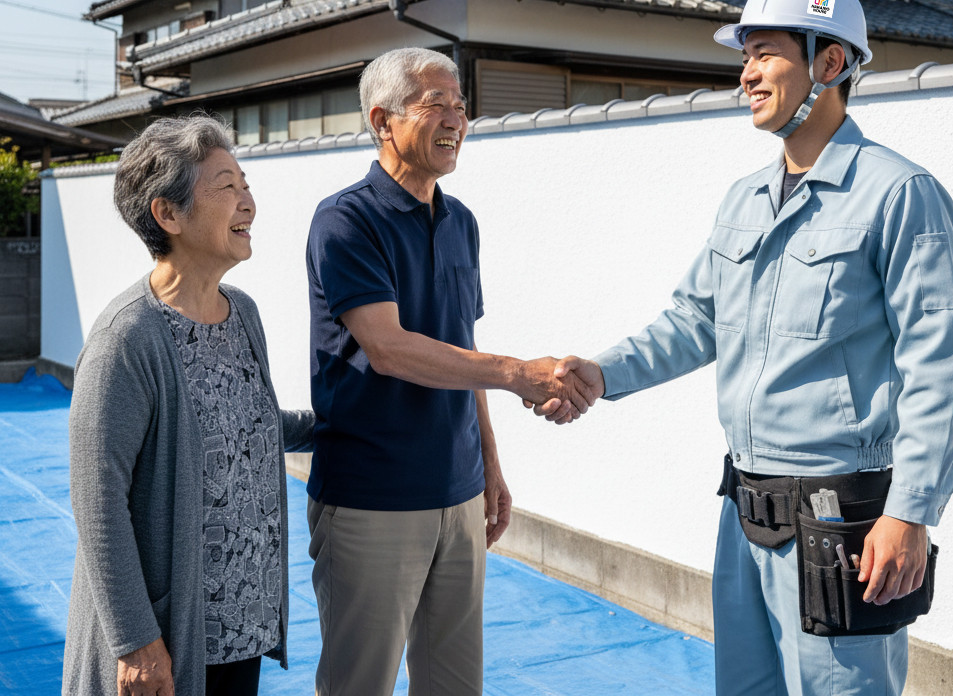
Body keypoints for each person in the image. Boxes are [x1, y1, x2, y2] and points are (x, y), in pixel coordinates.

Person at [545, 0, 953, 695]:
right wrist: (601, 373)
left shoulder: (899, 194)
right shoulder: (745, 200)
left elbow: (937, 367)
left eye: (766, 53)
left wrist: (910, 512)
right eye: (745, 57)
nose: (746, 75)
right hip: (743, 512)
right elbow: (694, 320)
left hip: (841, 520)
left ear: (829, 63)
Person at [305, 46, 595, 696]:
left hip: (459, 494)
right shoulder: (346, 220)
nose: (457, 120)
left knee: (455, 685)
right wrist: (519, 373)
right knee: (359, 686)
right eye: (437, 104)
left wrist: (489, 465)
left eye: (461, 106)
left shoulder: (461, 221)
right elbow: (390, 348)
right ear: (382, 121)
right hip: (372, 498)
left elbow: (460, 346)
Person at [62, 115, 314, 696]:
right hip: (171, 642)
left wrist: (334, 425)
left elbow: (243, 422)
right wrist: (135, 641)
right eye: (227, 187)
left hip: (242, 628)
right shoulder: (127, 339)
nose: (248, 202)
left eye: (246, 185)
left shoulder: (242, 312)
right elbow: (97, 501)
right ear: (167, 214)